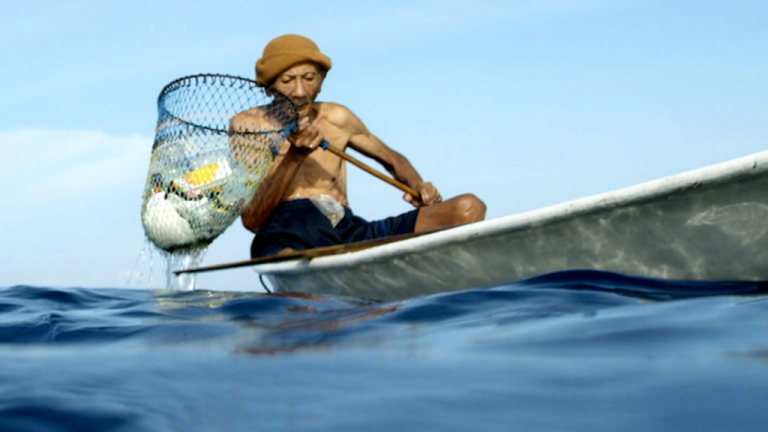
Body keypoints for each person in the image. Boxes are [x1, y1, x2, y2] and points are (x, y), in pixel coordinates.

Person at [232, 34, 486, 258]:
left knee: (468, 208)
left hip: (344, 227)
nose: (300, 91)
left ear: (321, 80)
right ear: (268, 88)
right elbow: (252, 220)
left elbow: (392, 159)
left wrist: (417, 185)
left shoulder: (339, 118)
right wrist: (294, 157)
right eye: (287, 80)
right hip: (286, 234)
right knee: (291, 263)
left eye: (309, 78)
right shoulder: (248, 126)